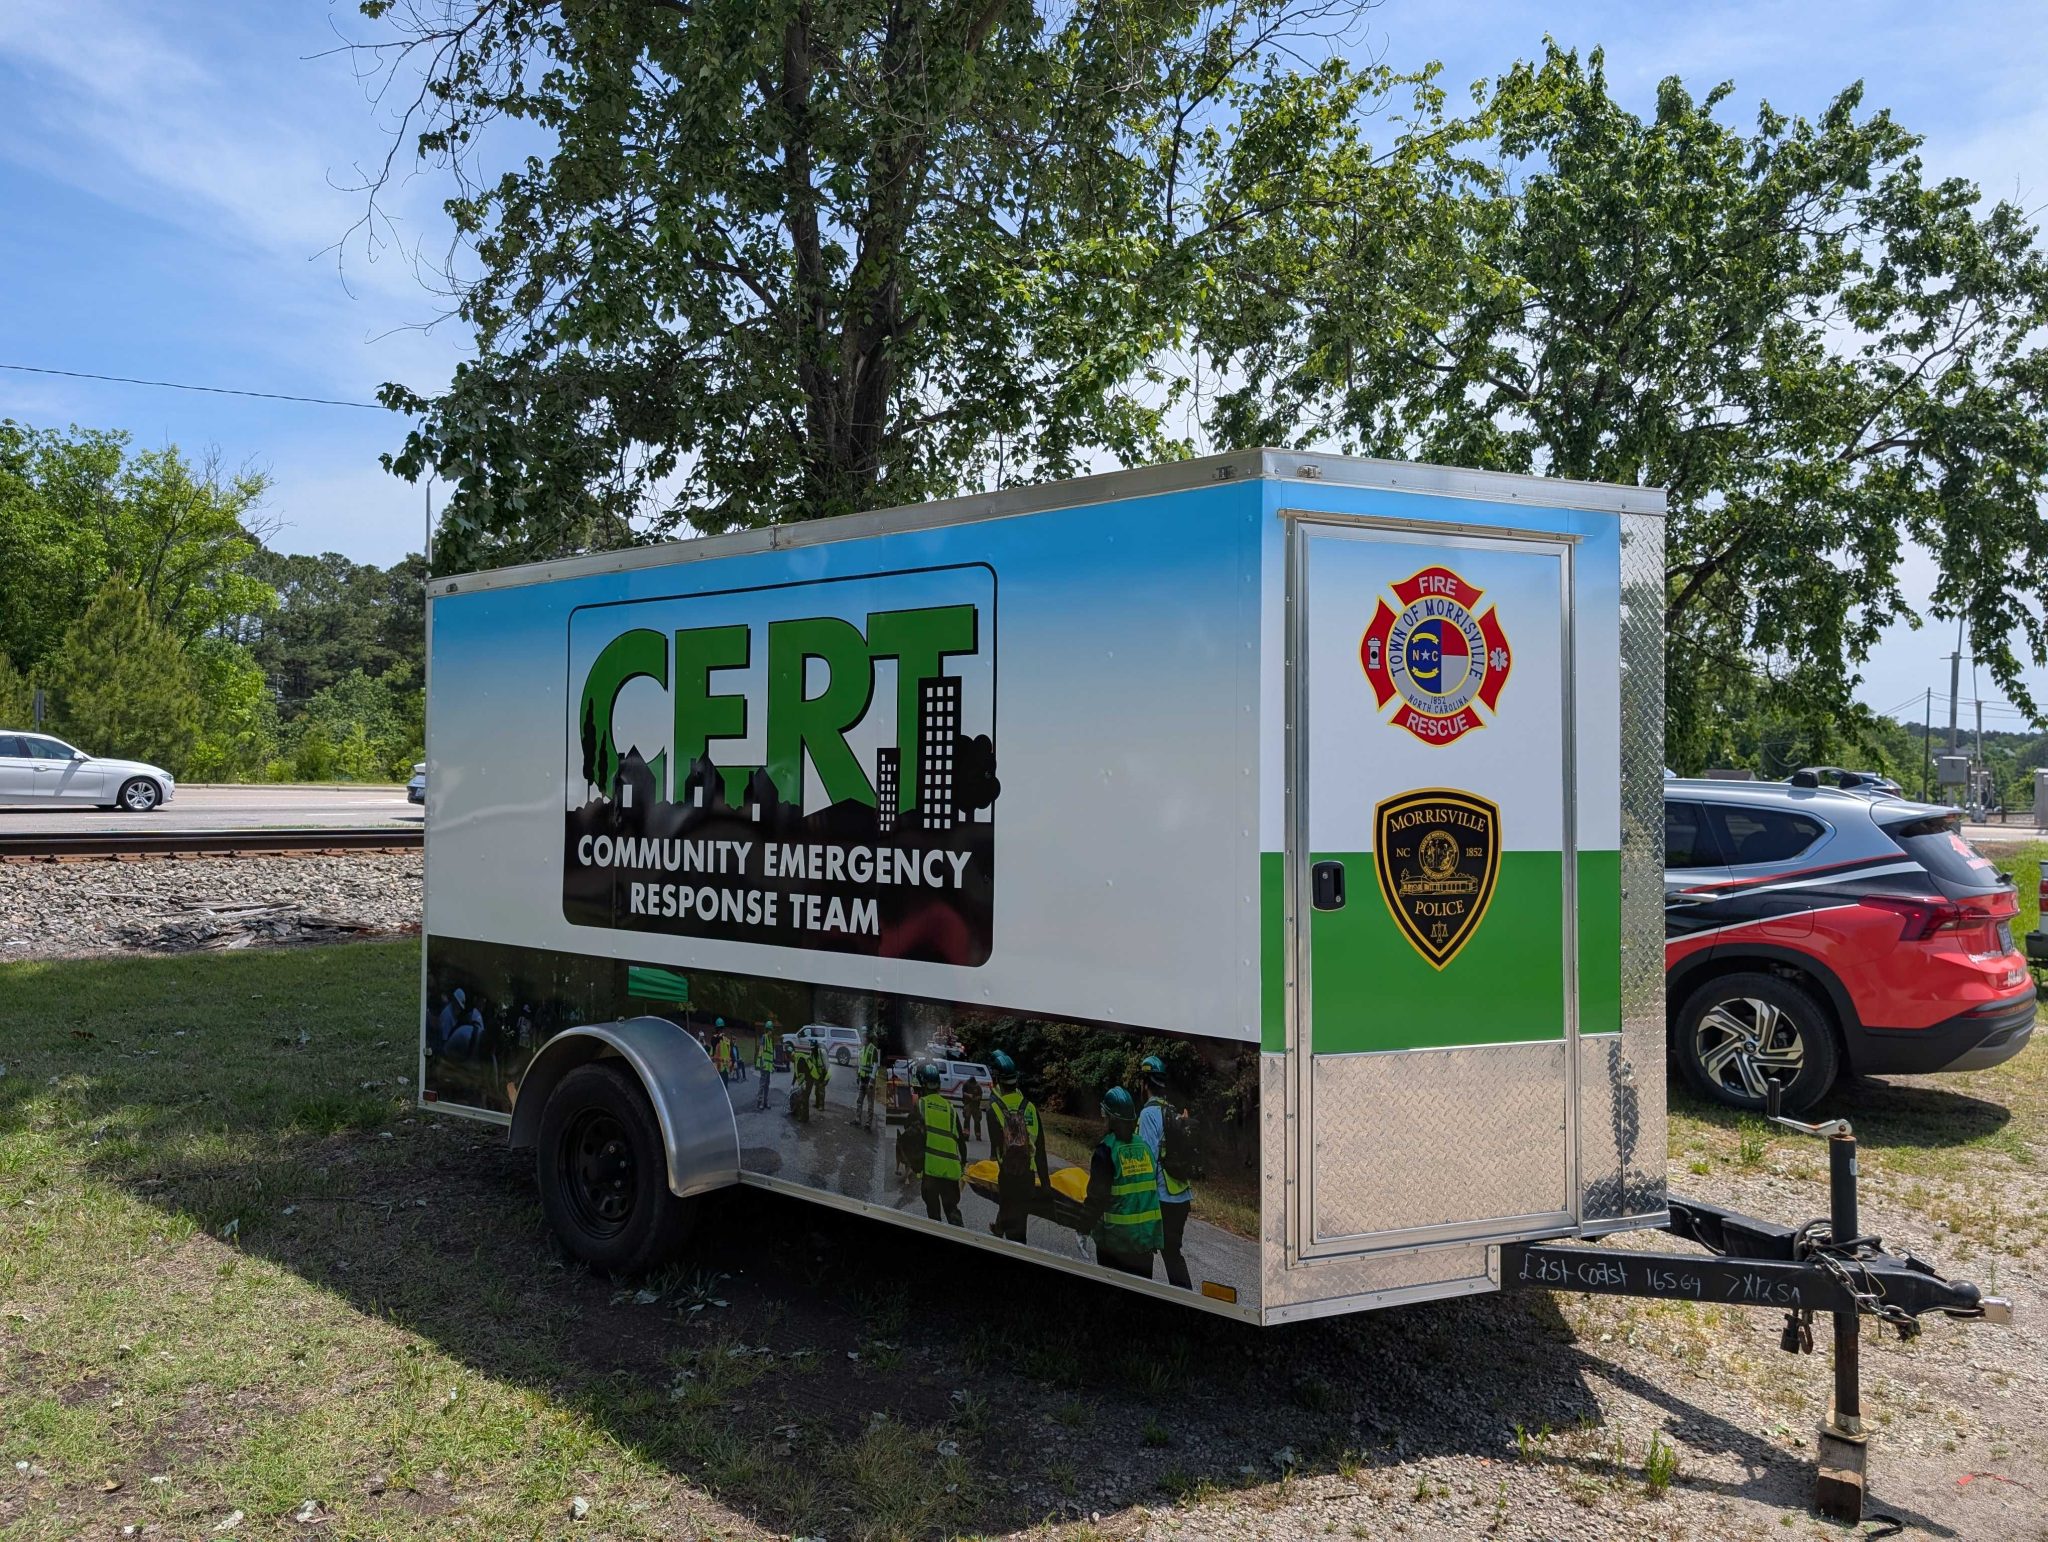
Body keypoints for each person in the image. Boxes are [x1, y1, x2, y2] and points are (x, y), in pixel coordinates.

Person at [1081, 1086, 1161, 1278]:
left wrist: (1082, 1227)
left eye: (1104, 1114)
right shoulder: (1144, 1147)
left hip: (1116, 1245)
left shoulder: (1106, 1151)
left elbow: (1096, 1198)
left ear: (1111, 1118)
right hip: (1144, 1244)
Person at [1137, 1054, 1194, 1289]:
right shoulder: (1172, 1111)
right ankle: (1185, 1299)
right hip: (1182, 1196)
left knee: (1144, 1250)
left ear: (1144, 1083)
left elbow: (1147, 1160)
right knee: (1172, 1254)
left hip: (1160, 1198)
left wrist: (1141, 1200)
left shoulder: (1148, 1114)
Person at [986, 1050, 1049, 1245]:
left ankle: (1005, 1237)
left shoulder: (993, 1109)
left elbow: (996, 1148)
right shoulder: (1030, 1108)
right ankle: (1005, 1232)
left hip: (1007, 1176)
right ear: (1016, 1081)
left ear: (998, 1080)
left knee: (1010, 1220)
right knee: (1020, 1223)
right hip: (1027, 1177)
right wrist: (1046, 1185)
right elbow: (1041, 1150)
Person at [913, 1062, 964, 1225]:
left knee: (934, 1216)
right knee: (952, 1210)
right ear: (939, 1085)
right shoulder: (950, 1108)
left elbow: (913, 1139)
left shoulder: (921, 1105)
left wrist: (916, 1165)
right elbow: (961, 1141)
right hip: (951, 1170)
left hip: (931, 1169)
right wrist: (963, 1164)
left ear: (922, 1084)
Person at [854, 1031, 881, 1130]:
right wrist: (858, 1076)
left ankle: (868, 1124)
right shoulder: (862, 1049)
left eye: (863, 1038)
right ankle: (857, 1119)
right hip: (862, 1078)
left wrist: (872, 1080)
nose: (862, 1040)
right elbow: (861, 1064)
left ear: (867, 1039)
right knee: (859, 1100)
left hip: (869, 1080)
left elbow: (875, 1066)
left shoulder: (873, 1050)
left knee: (870, 1103)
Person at [754, 1021, 777, 1110]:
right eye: (771, 1030)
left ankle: (765, 1102)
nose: (771, 1032)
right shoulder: (764, 1038)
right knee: (762, 1084)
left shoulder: (770, 1040)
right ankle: (759, 1102)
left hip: (768, 1066)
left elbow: (770, 1055)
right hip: (764, 1066)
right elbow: (761, 1050)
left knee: (767, 1085)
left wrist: (773, 1065)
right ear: (768, 1030)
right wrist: (761, 1063)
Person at [959, 1072, 983, 1143]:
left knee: (977, 1121)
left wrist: (976, 1098)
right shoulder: (966, 1084)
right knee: (966, 1120)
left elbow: (980, 1095)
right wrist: (969, 1095)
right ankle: (966, 1136)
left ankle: (978, 1136)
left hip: (975, 1105)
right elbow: (963, 1092)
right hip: (968, 1104)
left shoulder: (978, 1086)